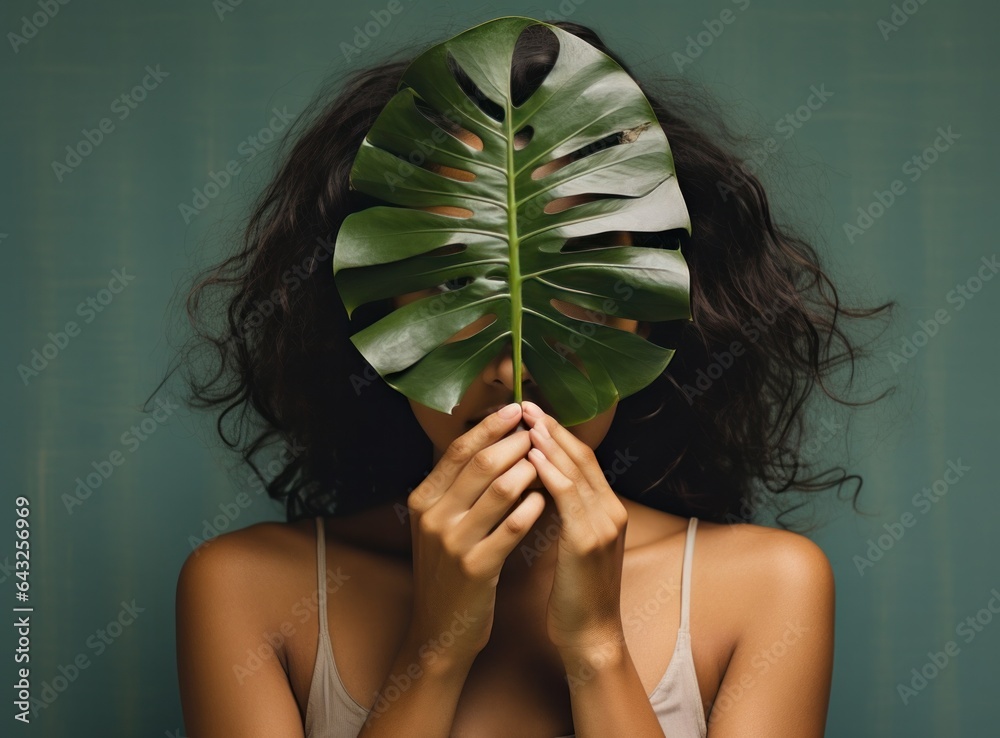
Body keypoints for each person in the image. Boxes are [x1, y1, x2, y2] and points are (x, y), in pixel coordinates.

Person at [171, 17, 894, 738]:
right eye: (453, 280)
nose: (515, 367)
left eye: (577, 275)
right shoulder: (248, 591)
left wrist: (598, 651)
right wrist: (433, 647)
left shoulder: (767, 588)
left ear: (650, 298)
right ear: (375, 302)